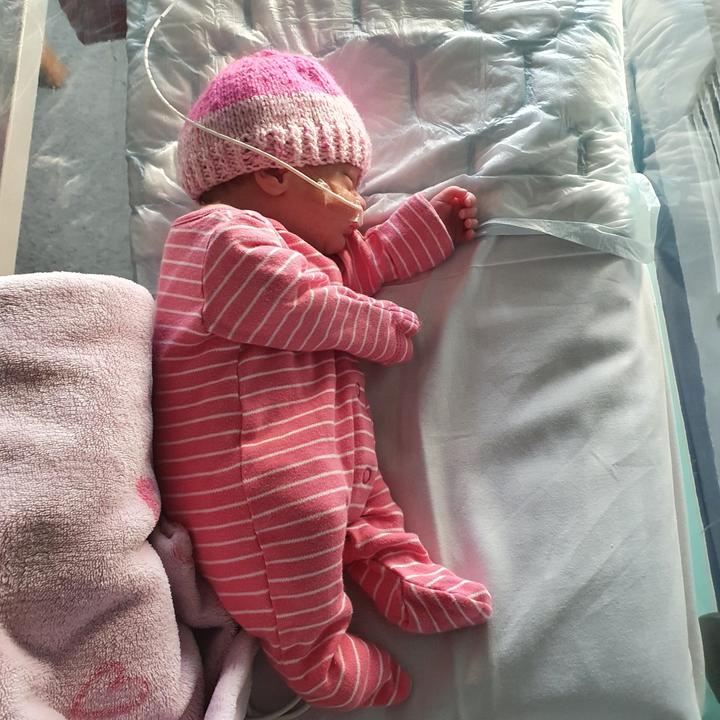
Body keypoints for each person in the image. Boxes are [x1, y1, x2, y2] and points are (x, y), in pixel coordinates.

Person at [153, 49, 491, 711]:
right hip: (256, 489)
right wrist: (381, 329)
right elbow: (302, 303)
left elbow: (354, 268)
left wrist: (427, 228)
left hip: (314, 445)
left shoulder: (294, 250)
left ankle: (396, 572)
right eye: (346, 183)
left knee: (367, 502)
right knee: (306, 532)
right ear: (275, 173)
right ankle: (318, 664)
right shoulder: (216, 239)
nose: (360, 207)